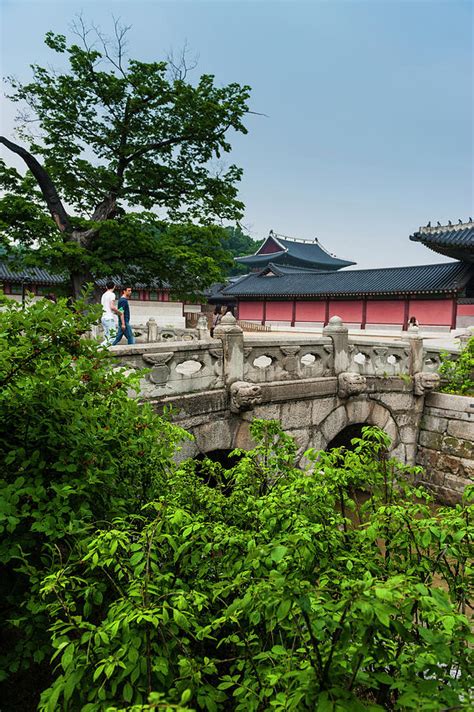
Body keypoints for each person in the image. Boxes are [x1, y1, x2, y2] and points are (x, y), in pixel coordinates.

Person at [100, 281, 122, 346]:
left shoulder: (103, 295)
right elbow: (112, 307)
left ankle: (103, 352)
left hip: (103, 317)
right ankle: (98, 349)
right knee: (112, 337)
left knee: (107, 337)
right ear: (114, 286)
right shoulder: (112, 294)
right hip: (109, 318)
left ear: (106, 287)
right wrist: (118, 312)